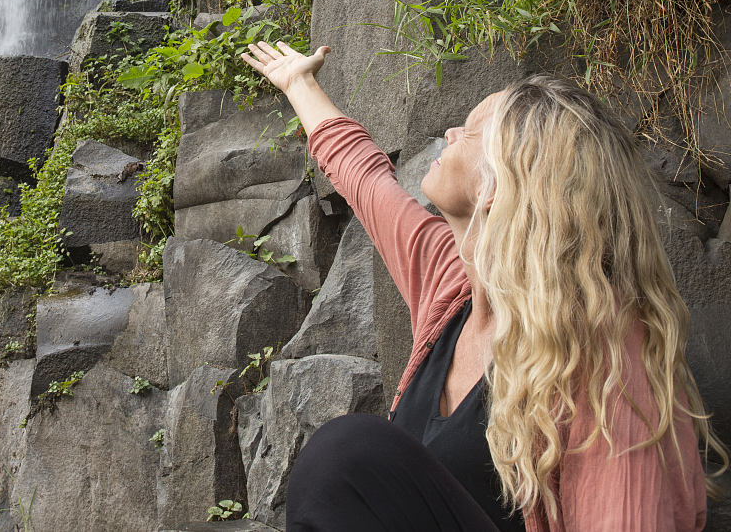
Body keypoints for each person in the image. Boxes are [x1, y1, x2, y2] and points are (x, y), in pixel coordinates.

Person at [240, 40, 727, 532]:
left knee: (346, 457)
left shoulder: (605, 356)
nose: (450, 132)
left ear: (500, 185)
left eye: (469, 132)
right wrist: (299, 83)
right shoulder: (453, 289)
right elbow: (365, 179)